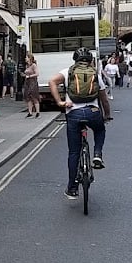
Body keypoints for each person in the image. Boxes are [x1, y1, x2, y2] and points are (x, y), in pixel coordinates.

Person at [48, 48, 107, 201]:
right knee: (100, 130)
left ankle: (72, 187)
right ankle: (97, 155)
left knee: (74, 152)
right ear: (90, 60)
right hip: (93, 112)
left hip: (73, 113)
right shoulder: (95, 74)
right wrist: (107, 115)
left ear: (75, 59)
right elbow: (104, 99)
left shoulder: (68, 72)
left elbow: (51, 81)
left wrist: (60, 102)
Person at [23, 53, 41, 117]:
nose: (25, 58)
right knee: (28, 97)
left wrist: (30, 76)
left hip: (33, 82)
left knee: (34, 96)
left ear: (29, 58)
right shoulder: (27, 66)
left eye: (26, 57)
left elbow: (37, 74)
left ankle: (37, 112)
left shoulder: (34, 65)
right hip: (27, 82)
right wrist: (24, 75)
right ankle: (30, 112)